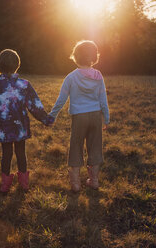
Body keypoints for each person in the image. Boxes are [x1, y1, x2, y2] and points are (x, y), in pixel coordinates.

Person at [0, 49, 53, 193]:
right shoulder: (24, 85)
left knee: (6, 154)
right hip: (20, 128)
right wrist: (46, 119)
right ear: (17, 65)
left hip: (3, 130)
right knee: (21, 153)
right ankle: (24, 183)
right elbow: (34, 105)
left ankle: (5, 185)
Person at [49, 40, 109, 192]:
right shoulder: (98, 75)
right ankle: (94, 181)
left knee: (76, 147)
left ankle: (75, 184)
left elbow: (61, 99)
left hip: (79, 117)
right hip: (96, 116)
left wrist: (52, 115)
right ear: (93, 57)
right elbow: (103, 99)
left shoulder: (71, 77)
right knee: (95, 147)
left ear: (75, 56)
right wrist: (106, 118)